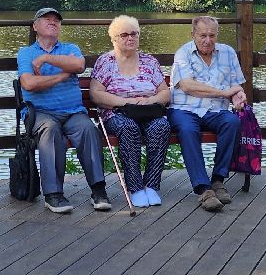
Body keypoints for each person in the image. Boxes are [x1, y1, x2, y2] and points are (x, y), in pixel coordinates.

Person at [16, 7, 110, 215]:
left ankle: (98, 190)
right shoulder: (26, 52)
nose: (53, 22)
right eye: (47, 19)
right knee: (50, 131)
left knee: (88, 129)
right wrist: (61, 76)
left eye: (56, 20)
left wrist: (47, 60)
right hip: (40, 113)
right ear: (35, 26)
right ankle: (53, 194)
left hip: (73, 112)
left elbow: (78, 65)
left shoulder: (70, 48)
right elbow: (29, 83)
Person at [90, 16, 172, 206]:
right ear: (114, 39)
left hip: (148, 112)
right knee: (129, 128)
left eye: (134, 33)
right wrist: (125, 103)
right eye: (124, 34)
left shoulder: (149, 61)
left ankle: (151, 186)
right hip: (117, 113)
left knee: (162, 126)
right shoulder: (106, 62)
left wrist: (150, 100)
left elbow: (165, 93)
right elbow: (95, 94)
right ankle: (135, 187)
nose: (130, 38)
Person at [169, 16, 246, 212]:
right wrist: (223, 93)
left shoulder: (228, 52)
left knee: (232, 122)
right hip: (184, 108)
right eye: (202, 35)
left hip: (215, 110)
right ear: (193, 34)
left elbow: (236, 85)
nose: (207, 40)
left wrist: (238, 96)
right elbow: (187, 86)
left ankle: (218, 180)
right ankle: (203, 189)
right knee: (187, 130)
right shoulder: (183, 54)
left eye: (212, 35)